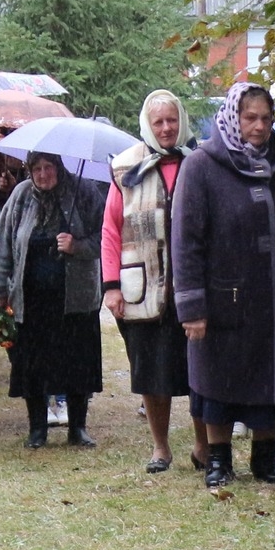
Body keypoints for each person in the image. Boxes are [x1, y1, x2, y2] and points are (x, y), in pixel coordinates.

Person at [173, 83, 275, 487]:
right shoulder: (201, 165)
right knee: (219, 380)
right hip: (223, 296)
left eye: (266, 118)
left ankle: (266, 458)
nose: (259, 127)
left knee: (272, 378)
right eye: (250, 118)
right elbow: (186, 239)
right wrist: (191, 307)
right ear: (233, 117)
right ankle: (218, 460)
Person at [104, 91, 194, 471]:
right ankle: (161, 448)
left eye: (172, 120)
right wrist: (111, 287)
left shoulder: (200, 162)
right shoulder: (126, 168)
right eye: (158, 122)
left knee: (197, 372)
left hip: (190, 287)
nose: (166, 128)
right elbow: (111, 229)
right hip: (143, 288)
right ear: (147, 125)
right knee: (152, 372)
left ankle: (204, 447)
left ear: (182, 121)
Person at [0, 151, 104, 450]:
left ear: (59, 166)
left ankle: (77, 427)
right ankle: (37, 428)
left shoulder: (84, 192)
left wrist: (76, 245)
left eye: (49, 167)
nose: (43, 174)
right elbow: (4, 243)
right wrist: (1, 291)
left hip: (75, 297)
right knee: (33, 364)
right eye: (36, 168)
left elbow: (105, 237)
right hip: (32, 298)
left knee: (77, 361)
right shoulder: (21, 195)